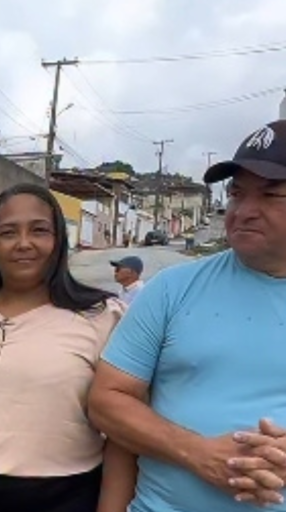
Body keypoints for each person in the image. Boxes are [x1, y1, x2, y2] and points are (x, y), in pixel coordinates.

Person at [88, 120, 286, 512]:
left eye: (270, 195)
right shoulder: (172, 288)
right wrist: (198, 453)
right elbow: (106, 401)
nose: (244, 211)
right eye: (237, 194)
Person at [0, 183, 136, 512]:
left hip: (63, 496)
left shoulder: (103, 316)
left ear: (58, 240)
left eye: (39, 231)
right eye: (9, 232)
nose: (23, 243)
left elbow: (124, 436)